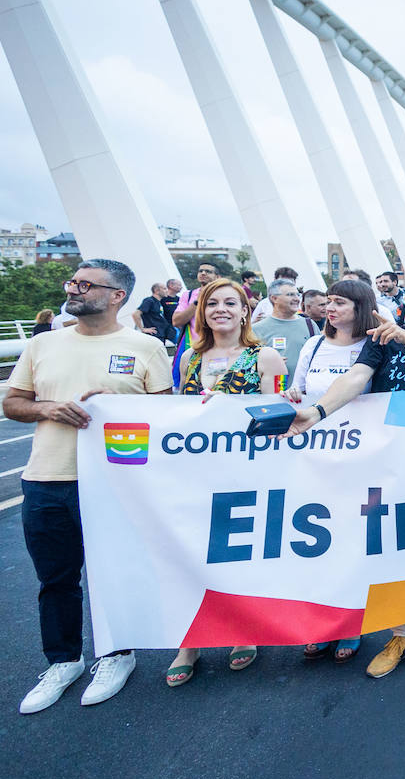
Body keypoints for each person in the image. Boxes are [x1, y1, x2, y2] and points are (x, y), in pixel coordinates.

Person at [285, 273, 405, 686]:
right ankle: (404, 635)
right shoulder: (379, 340)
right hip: (386, 461)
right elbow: (355, 378)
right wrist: (316, 413)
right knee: (391, 546)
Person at [6, 260, 172, 714]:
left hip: (115, 482)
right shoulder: (43, 344)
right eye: (72, 283)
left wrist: (118, 408)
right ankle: (62, 661)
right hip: (46, 479)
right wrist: (49, 409)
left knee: (111, 572)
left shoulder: (145, 347)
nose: (73, 289)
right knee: (55, 578)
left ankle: (117, 654)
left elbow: (166, 415)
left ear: (117, 295)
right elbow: (13, 403)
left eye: (85, 284)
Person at [167, 278, 288, 686]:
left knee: (237, 553)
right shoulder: (189, 361)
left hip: (246, 471)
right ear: (202, 312)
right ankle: (191, 641)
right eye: (212, 302)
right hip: (198, 472)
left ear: (244, 311)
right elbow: (175, 419)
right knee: (191, 553)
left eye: (230, 302)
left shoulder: (265, 358)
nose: (220, 309)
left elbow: (278, 415)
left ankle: (242, 630)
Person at [283, 279, 379, 663]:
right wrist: (293, 397)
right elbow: (298, 388)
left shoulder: (374, 345)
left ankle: (352, 623)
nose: (330, 308)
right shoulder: (313, 345)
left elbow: (360, 385)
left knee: (353, 541)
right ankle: (321, 623)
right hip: (314, 455)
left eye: (340, 302)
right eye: (328, 302)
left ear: (360, 306)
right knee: (315, 542)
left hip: (359, 457)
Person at [252, 278, 317, 380]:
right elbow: (246, 368)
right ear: (274, 298)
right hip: (272, 393)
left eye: (297, 294)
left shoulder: (310, 325)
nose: (297, 299)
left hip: (304, 393)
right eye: (290, 295)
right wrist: (264, 364)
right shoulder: (256, 330)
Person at [171, 261, 221, 342]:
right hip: (194, 347)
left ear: (217, 277)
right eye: (200, 271)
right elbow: (176, 321)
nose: (203, 273)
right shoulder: (188, 295)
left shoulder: (225, 295)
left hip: (219, 345)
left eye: (208, 271)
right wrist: (198, 301)